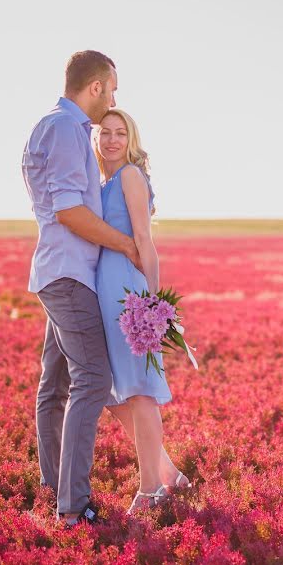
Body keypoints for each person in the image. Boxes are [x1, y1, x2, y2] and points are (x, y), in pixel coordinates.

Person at [21, 50, 140, 527]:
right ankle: (72, 506)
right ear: (94, 88)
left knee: (54, 386)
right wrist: (126, 244)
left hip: (55, 271)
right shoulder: (70, 131)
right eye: (112, 89)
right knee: (91, 377)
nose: (114, 98)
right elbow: (70, 211)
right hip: (69, 276)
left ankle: (54, 487)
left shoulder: (46, 125)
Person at [92, 109, 192, 514]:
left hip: (128, 294)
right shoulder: (102, 181)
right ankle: (168, 471)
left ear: (130, 139)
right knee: (110, 393)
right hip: (103, 291)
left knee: (140, 392)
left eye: (121, 133)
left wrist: (153, 303)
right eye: (106, 133)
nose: (113, 140)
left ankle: (151, 489)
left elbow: (144, 242)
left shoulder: (130, 176)